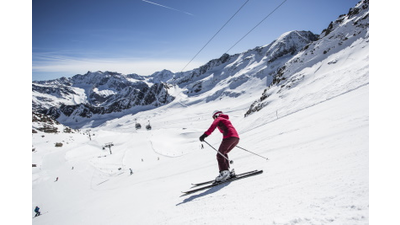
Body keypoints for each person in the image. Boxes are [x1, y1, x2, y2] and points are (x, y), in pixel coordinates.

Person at [199, 110, 239, 182]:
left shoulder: (219, 118)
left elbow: (212, 127)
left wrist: (204, 135)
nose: (214, 119)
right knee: (223, 153)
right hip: (236, 138)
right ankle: (228, 172)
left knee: (219, 155)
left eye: (214, 117)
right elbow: (224, 130)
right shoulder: (225, 120)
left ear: (216, 115)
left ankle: (224, 173)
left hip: (229, 138)